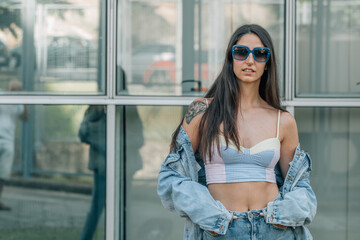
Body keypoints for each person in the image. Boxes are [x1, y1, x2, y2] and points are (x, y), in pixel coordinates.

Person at [157, 24, 317, 239]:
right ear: (230, 58)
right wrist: (209, 215)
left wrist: (285, 214)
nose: (250, 60)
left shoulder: (283, 120)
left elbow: (300, 185)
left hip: (275, 230)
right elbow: (171, 176)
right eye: (241, 52)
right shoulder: (203, 110)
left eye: (260, 54)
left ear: (267, 64)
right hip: (221, 230)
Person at [78, 105, 106, 240]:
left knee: (122, 208)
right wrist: (95, 112)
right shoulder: (95, 111)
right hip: (102, 168)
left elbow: (136, 137)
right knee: (96, 208)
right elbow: (82, 133)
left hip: (122, 166)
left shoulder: (127, 107)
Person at [0, 80, 28, 211]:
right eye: (13, 89)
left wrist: (26, 100)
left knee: (3, 173)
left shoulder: (19, 103)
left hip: (8, 140)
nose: (15, 91)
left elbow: (25, 118)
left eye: (18, 89)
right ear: (8, 88)